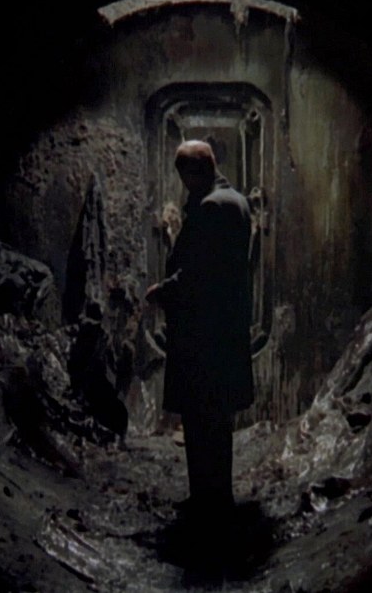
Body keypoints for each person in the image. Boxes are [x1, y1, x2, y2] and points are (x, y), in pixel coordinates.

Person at [146, 140, 254, 529]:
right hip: (223, 330)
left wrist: (164, 291)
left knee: (200, 417)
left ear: (193, 173)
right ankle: (216, 495)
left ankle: (207, 502)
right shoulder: (237, 201)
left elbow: (200, 273)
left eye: (184, 176)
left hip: (204, 333)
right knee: (217, 419)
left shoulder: (212, 207)